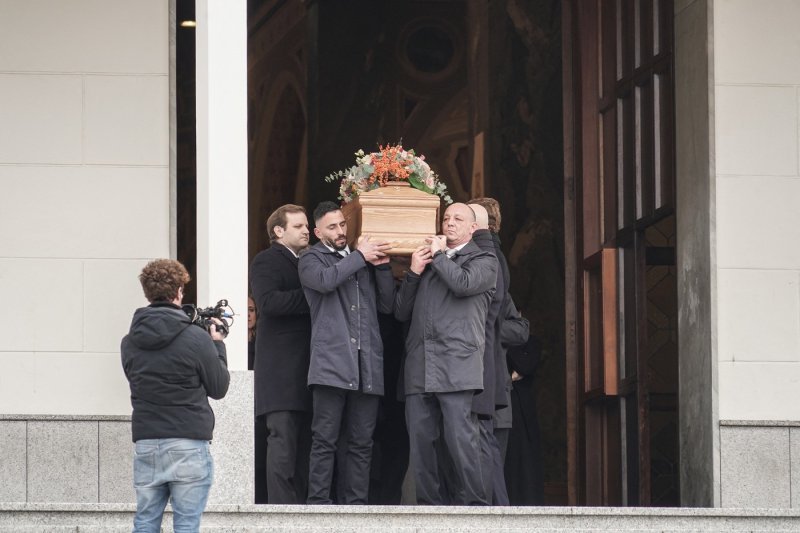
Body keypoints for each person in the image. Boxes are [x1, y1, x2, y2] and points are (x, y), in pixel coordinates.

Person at [394, 202, 498, 505]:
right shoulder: (427, 263)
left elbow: (462, 284)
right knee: (421, 444)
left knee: (461, 440)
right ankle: (429, 509)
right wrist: (413, 272)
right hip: (420, 364)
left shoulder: (485, 260)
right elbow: (401, 312)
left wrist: (438, 256)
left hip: (457, 364)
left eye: (458, 219)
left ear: (472, 228)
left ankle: (477, 507)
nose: (449, 223)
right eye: (446, 218)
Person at [121, 259, 229, 533]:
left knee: (145, 522)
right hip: (188, 443)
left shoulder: (129, 341)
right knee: (186, 525)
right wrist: (218, 345)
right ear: (179, 291)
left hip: (147, 442)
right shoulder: (195, 338)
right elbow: (219, 388)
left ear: (148, 292)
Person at [298, 200, 395, 504]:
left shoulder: (360, 260)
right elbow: (326, 282)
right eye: (332, 227)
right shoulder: (310, 259)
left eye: (342, 224)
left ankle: (356, 506)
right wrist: (360, 256)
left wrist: (381, 268)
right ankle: (318, 505)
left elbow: (387, 305)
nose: (341, 231)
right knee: (325, 439)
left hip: (366, 363)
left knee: (362, 442)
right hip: (331, 365)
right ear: (317, 231)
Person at [249, 204, 313, 504]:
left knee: (302, 448)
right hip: (281, 372)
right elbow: (270, 302)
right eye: (298, 226)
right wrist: (315, 294)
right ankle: (282, 512)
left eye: (306, 225)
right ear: (279, 231)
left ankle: (299, 509)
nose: (306, 230)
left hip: (305, 370)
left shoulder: (307, 261)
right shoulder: (266, 261)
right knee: (283, 443)